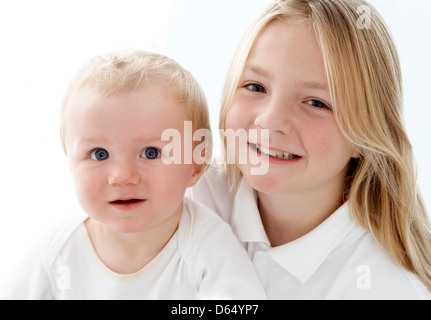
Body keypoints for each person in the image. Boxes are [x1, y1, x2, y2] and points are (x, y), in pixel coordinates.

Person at [188, 0, 431, 299]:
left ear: (363, 137)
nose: (270, 120)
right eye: (256, 87)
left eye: (317, 103)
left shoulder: (385, 289)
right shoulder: (189, 196)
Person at [0, 50, 266, 300]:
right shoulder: (59, 248)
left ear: (196, 165)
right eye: (99, 154)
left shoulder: (206, 246)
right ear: (69, 159)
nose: (122, 176)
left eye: (151, 153)